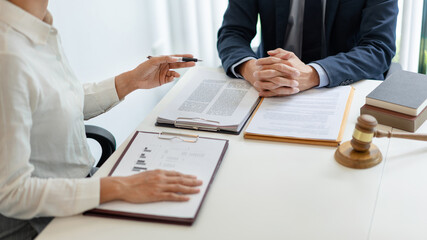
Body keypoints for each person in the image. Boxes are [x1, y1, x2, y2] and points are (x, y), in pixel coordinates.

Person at [0, 0, 202, 238]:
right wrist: (121, 186)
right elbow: (11, 193)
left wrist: (131, 81)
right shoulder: (8, 55)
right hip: (39, 219)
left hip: (81, 184)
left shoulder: (38, 23)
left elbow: (51, 104)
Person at [217, 0, 399, 97]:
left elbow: (378, 47)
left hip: (341, 87)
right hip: (271, 87)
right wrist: (250, 68)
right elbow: (233, 32)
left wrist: (313, 74)